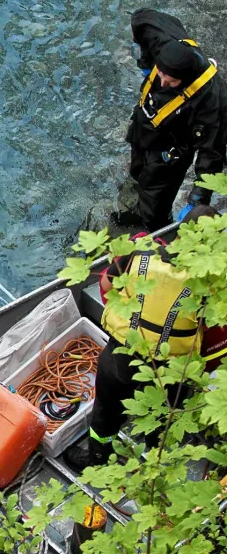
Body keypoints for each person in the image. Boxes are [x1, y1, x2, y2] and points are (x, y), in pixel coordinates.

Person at [70, 208, 211, 469]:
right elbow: (210, 326)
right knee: (159, 423)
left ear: (180, 232)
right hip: (169, 370)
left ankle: (96, 461)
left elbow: (105, 286)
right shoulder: (211, 281)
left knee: (105, 414)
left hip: (120, 356)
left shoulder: (141, 250)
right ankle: (152, 472)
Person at [120, 29, 225, 230]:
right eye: (160, 74)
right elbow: (142, 19)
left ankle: (158, 229)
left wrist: (198, 199)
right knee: (136, 172)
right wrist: (144, 59)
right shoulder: (163, 42)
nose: (162, 83)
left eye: (171, 81)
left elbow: (212, 153)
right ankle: (136, 203)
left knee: (154, 206)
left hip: (171, 153)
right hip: (144, 131)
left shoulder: (212, 102)